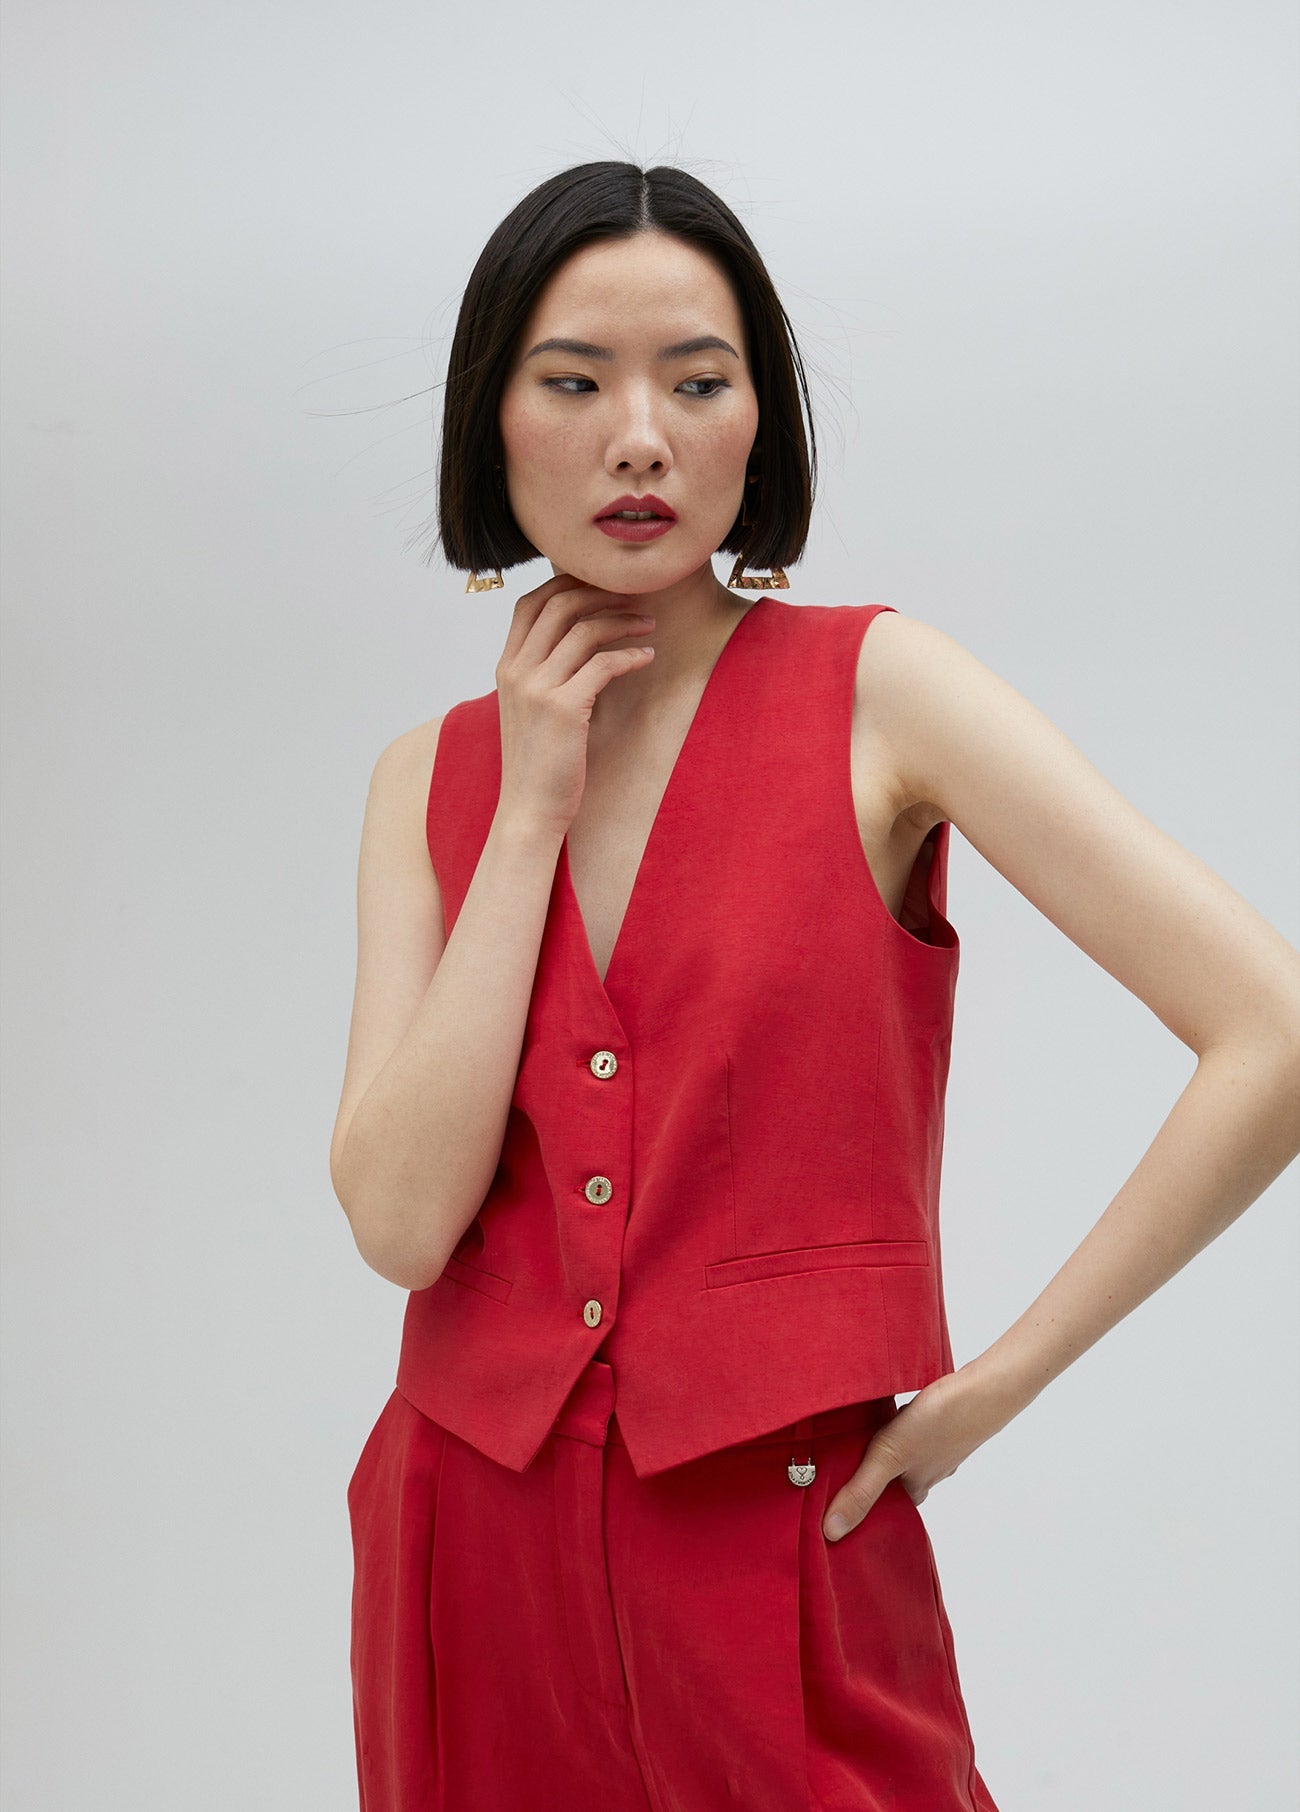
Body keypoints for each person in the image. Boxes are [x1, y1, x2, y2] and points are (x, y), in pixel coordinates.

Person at [329, 162, 1300, 1812]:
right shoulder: (428, 778)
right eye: (574, 382)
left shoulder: (882, 692)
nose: (641, 438)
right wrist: (532, 806)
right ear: (492, 421)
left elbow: (1267, 1032)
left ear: (760, 424)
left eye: (698, 383)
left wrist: (993, 1389)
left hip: (783, 1547)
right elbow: (402, 1226)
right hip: (468, 1549)